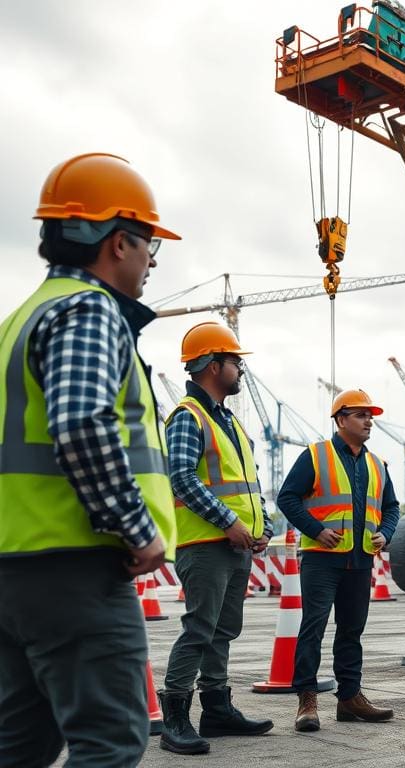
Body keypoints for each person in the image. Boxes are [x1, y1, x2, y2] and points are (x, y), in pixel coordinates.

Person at [0, 153, 179, 766]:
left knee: (22, 743)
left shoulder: (18, 320)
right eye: (150, 245)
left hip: (16, 567)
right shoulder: (89, 308)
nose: (152, 261)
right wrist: (136, 526)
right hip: (72, 565)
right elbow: (79, 423)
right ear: (118, 242)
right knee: (110, 740)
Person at [159, 321, 274, 754]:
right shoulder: (188, 417)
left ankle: (217, 709)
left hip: (233, 543)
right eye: (234, 361)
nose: (240, 369)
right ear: (211, 365)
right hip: (205, 544)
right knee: (199, 629)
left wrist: (259, 526)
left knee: (223, 629)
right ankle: (175, 718)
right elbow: (181, 478)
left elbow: (247, 483)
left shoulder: (228, 422)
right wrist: (229, 522)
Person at [278, 389, 401, 731]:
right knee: (313, 627)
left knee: (351, 630)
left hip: (359, 560)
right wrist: (316, 530)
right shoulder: (315, 455)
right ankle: (307, 699)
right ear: (341, 419)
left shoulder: (377, 464)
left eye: (370, 416)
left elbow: (390, 507)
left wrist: (386, 533)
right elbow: (287, 498)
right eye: (361, 415)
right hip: (321, 559)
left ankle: (350, 698)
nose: (369, 421)